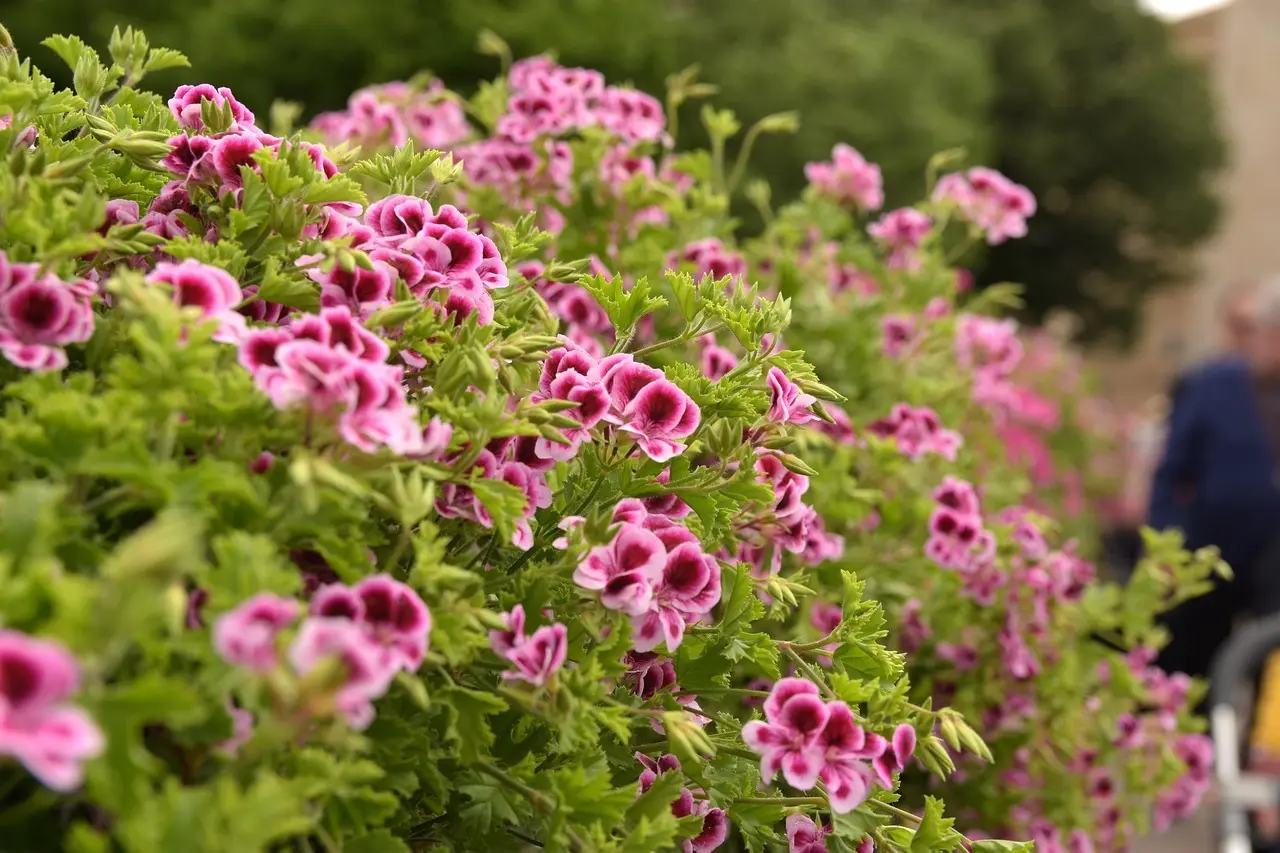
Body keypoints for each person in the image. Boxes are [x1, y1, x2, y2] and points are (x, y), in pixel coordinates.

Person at [1149, 274, 1280, 685]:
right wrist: (1167, 546)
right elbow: (1171, 473)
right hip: (1207, 556)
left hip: (1271, 568)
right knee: (1192, 665)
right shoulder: (1211, 384)